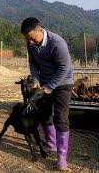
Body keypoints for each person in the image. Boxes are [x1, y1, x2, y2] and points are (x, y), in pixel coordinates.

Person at [20, 17, 73, 170]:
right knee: (44, 114)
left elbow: (64, 68)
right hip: (45, 82)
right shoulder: (30, 43)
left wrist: (48, 87)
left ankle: (62, 157)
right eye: (27, 39)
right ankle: (51, 145)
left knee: (61, 118)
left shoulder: (57, 43)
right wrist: (36, 79)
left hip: (63, 82)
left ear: (40, 30)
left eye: (32, 38)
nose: (30, 42)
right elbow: (33, 63)